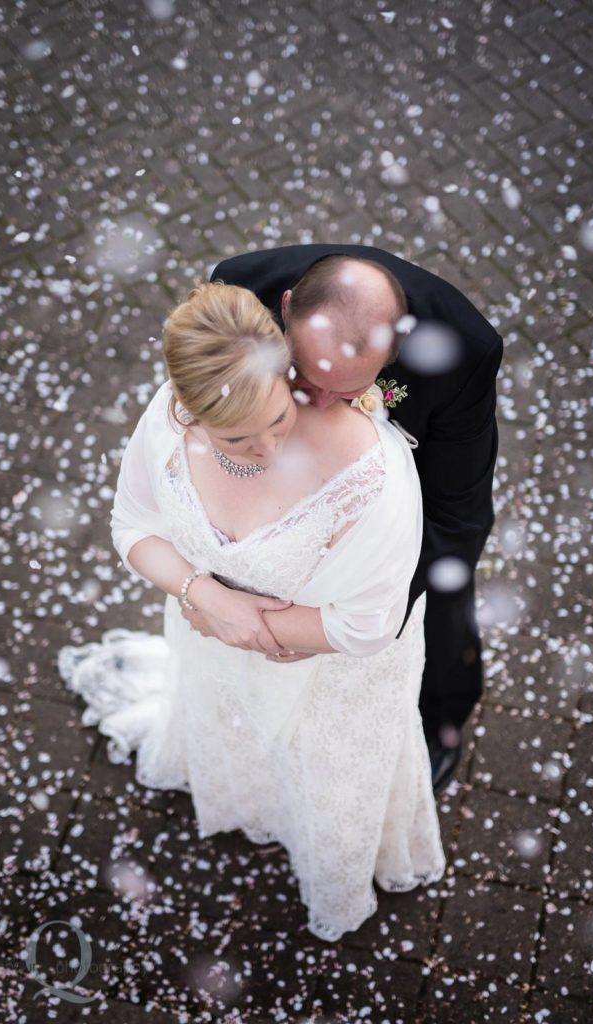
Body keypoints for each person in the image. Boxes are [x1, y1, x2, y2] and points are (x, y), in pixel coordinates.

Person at [58, 281, 445, 942]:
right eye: (237, 439)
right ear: (187, 411)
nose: (267, 447)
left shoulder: (370, 473)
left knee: (325, 777)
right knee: (238, 737)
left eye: (279, 416)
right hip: (210, 643)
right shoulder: (168, 420)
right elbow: (133, 525)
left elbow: (369, 624)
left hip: (333, 672)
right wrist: (204, 597)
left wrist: (246, 625)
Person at [208, 245, 504, 792]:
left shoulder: (463, 349)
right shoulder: (236, 291)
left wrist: (376, 603)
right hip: (280, 488)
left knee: (441, 605)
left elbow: (457, 513)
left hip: (400, 511)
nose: (316, 403)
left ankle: (439, 723)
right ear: (286, 306)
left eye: (344, 390)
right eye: (302, 375)